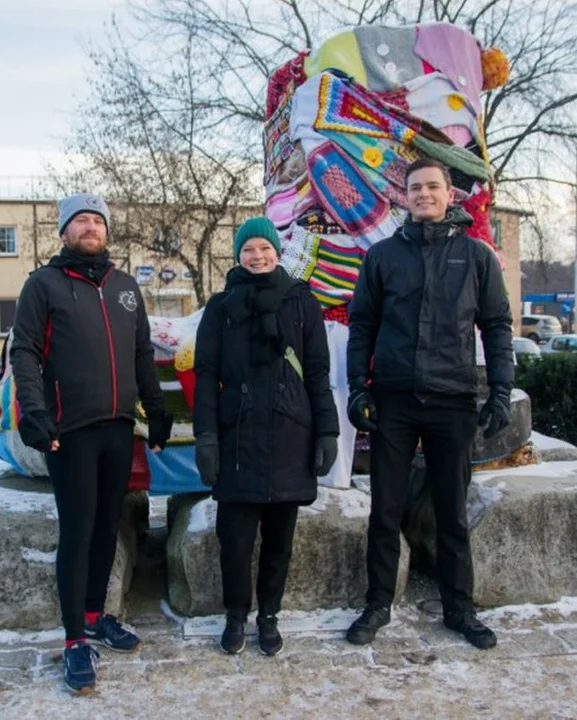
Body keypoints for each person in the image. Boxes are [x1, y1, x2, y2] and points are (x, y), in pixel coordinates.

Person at [345, 158, 514, 650]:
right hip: (394, 401)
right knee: (385, 511)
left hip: (452, 400)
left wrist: (500, 390)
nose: (423, 194)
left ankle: (460, 608)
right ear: (405, 195)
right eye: (415, 187)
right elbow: (363, 326)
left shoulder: (476, 256)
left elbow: (497, 327)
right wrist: (359, 386)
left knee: (451, 514)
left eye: (433, 187)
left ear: (449, 194)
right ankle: (378, 604)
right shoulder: (382, 257)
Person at [10, 193, 173, 694]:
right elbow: (26, 351)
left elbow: (142, 352)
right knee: (78, 531)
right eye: (80, 220)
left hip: (118, 428)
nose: (89, 227)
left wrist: (156, 408)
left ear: (107, 231)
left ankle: (95, 615)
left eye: (97, 220)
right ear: (64, 232)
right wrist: (35, 414)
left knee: (108, 525)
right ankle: (74, 640)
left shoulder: (125, 288)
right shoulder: (44, 285)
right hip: (70, 431)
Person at [193, 216, 339, 657]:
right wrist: (206, 439)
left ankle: (269, 616)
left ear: (277, 252)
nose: (258, 256)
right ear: (238, 255)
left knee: (279, 541)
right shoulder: (220, 309)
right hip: (237, 436)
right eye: (249, 249)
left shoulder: (301, 302)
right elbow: (205, 376)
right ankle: (236, 615)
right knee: (234, 542)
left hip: (289, 434)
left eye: (265, 248)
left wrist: (327, 431)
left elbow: (317, 371)